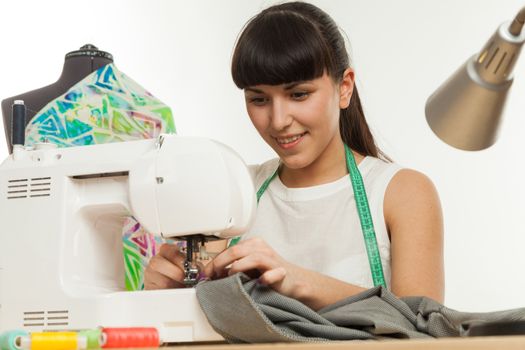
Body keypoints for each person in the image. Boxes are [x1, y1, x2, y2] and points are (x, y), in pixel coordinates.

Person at [144, 1, 444, 311]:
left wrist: (299, 282)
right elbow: (193, 307)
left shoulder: (402, 192)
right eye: (258, 99)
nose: (278, 121)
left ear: (344, 88)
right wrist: (164, 290)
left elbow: (424, 325)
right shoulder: (235, 190)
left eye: (298, 94)